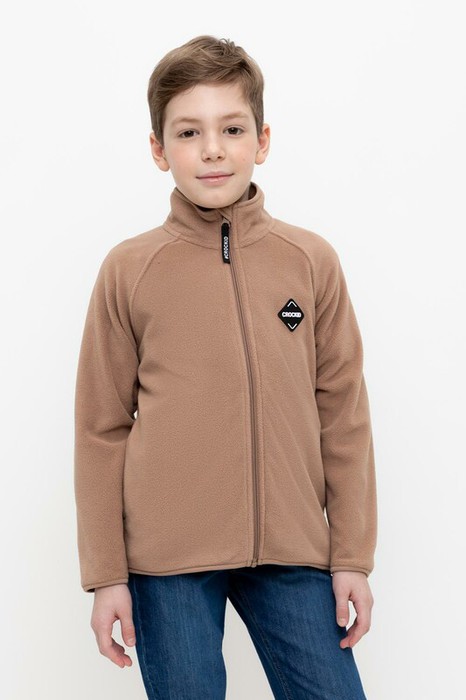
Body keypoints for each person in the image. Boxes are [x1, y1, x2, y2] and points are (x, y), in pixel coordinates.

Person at [73, 34, 377, 700]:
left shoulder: (310, 261)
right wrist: (107, 574)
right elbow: (100, 430)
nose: (212, 149)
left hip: (294, 551)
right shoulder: (130, 270)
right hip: (166, 565)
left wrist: (351, 556)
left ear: (262, 141)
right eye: (189, 132)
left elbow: (343, 415)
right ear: (159, 149)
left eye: (232, 129)